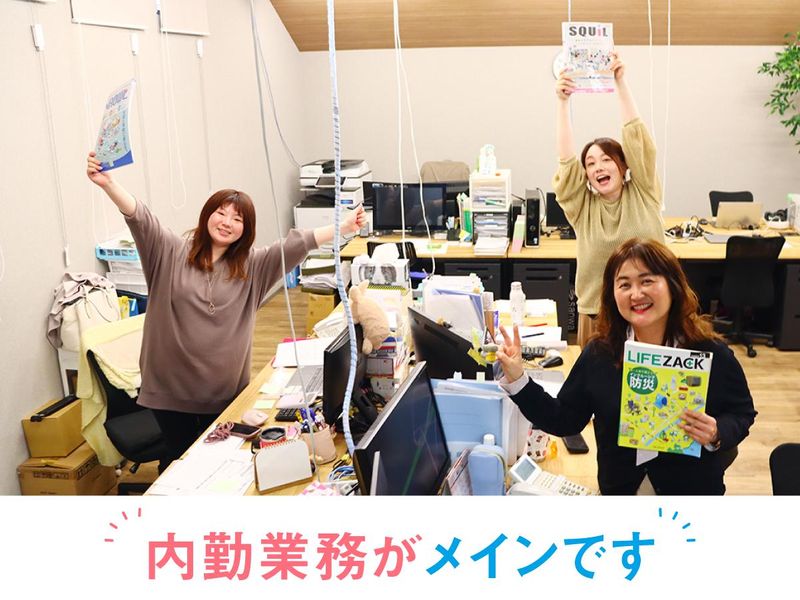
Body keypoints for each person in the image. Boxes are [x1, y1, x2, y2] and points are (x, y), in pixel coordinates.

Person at [86, 151, 366, 469]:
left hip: (224, 394)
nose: (227, 223)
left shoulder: (253, 267)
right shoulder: (169, 252)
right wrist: (108, 184)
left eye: (237, 219)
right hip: (170, 391)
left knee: (219, 463)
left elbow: (295, 244)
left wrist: (343, 227)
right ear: (208, 215)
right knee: (180, 464)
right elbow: (140, 217)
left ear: (245, 229)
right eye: (221, 213)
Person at [495, 238, 757, 495]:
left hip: (690, 494)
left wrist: (716, 432)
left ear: (673, 285)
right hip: (621, 490)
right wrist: (518, 379)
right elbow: (564, 419)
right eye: (624, 284)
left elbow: (742, 412)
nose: (636, 294)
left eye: (647, 281)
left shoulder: (709, 352)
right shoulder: (600, 353)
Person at [554, 52, 666, 347]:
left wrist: (620, 82)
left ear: (624, 165)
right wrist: (563, 103)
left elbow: (637, 141)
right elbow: (567, 165)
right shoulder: (583, 209)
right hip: (598, 315)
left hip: (651, 312)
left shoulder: (644, 191)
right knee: (597, 377)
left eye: (606, 159)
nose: (598, 167)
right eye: (591, 163)